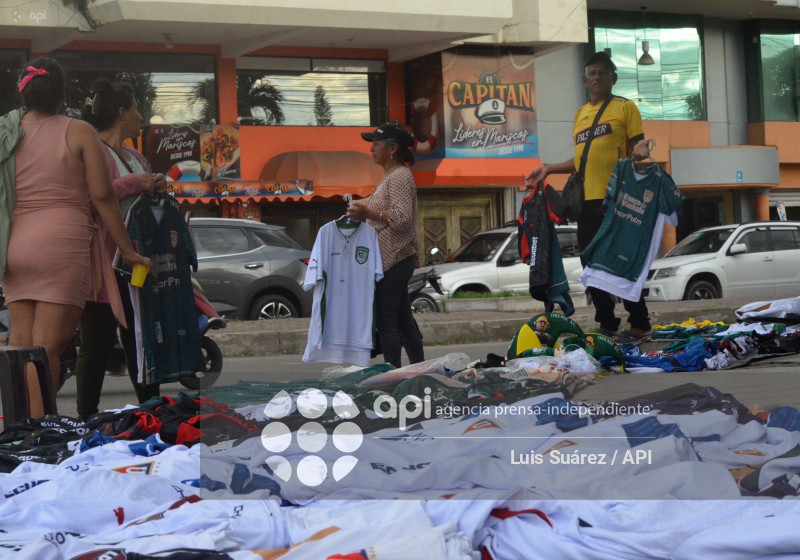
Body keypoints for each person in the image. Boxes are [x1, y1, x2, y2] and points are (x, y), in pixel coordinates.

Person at [0, 58, 151, 418]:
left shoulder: (7, 132)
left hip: (15, 247)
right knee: (46, 351)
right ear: (63, 94)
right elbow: (102, 197)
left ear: (25, 93)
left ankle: (16, 434)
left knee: (21, 347)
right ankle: (37, 433)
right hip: (61, 246)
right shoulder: (79, 131)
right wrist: (128, 252)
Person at [526, 51, 652, 344]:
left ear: (613, 78)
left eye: (602, 74)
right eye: (591, 74)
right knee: (591, 265)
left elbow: (639, 144)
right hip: (587, 203)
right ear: (585, 80)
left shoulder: (625, 107)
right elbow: (582, 160)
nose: (596, 78)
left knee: (619, 263)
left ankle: (640, 325)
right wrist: (549, 168)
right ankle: (607, 324)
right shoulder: (580, 115)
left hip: (616, 199)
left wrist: (641, 151)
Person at [75, 78, 167, 419]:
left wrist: (158, 186)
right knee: (96, 341)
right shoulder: (93, 150)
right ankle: (86, 417)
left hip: (138, 261)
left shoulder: (137, 156)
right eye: (137, 109)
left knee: (140, 339)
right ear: (122, 113)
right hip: (103, 261)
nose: (142, 116)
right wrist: (133, 183)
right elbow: (87, 197)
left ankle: (152, 410)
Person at [347, 122, 424, 368]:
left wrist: (368, 211)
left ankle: (393, 373)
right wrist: (361, 208)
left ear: (392, 150)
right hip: (392, 260)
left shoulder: (400, 176)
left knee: (387, 321)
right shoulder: (392, 177)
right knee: (403, 320)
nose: (371, 149)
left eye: (376, 144)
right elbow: (384, 208)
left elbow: (402, 218)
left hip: (395, 258)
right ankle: (418, 368)